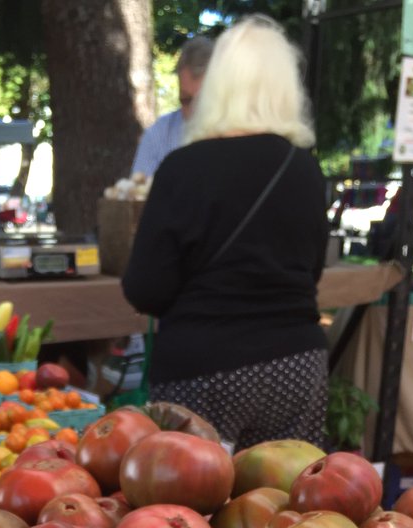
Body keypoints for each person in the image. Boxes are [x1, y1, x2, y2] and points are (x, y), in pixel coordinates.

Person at [122, 14, 329, 451]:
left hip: (204, 368)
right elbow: (311, 273)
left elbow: (145, 288)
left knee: (191, 510)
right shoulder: (305, 169)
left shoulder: (182, 167)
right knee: (287, 509)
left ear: (216, 85)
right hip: (295, 365)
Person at [130, 35, 214, 178]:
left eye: (202, 102)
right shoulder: (159, 135)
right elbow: (139, 193)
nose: (194, 112)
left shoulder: (241, 135)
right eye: (186, 100)